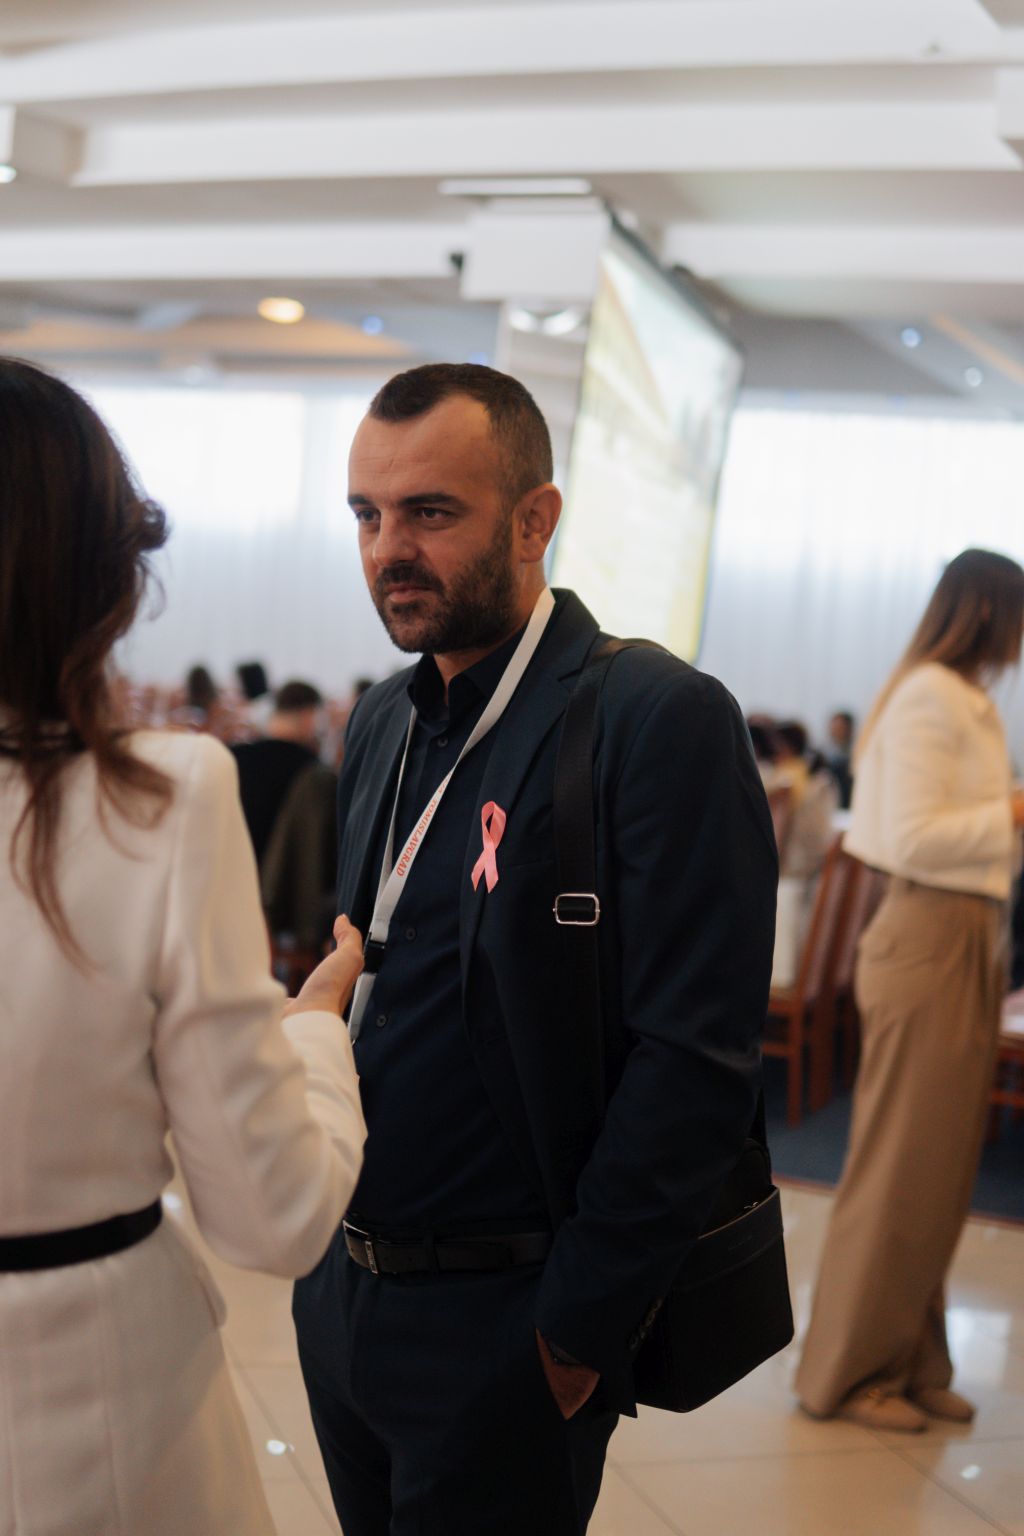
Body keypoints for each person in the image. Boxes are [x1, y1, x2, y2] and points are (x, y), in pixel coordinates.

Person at [292, 363, 777, 1535]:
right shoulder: (382, 720)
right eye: (366, 514)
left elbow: (695, 1058)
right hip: (345, 1294)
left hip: (510, 1317)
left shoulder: (653, 718)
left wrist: (575, 1331)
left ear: (532, 520)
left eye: (429, 512)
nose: (388, 549)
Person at [0, 357, 368, 1535]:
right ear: (102, 576)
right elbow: (272, 1215)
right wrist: (313, 1037)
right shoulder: (159, 797)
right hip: (90, 1403)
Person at [796, 547, 1024, 1433]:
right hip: (930, 930)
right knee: (899, 1166)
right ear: (988, 613)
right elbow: (918, 838)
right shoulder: (931, 695)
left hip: (962, 932)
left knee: (937, 1168)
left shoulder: (960, 697)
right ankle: (846, 1373)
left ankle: (913, 1359)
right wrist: (1012, 811)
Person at [231, 678, 325, 863]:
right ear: (309, 715)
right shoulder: (311, 769)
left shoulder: (237, 756)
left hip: (239, 862)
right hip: (282, 870)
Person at [824, 709, 856, 810]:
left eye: (841, 727)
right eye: (834, 726)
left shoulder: (855, 750)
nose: (836, 730)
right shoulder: (824, 751)